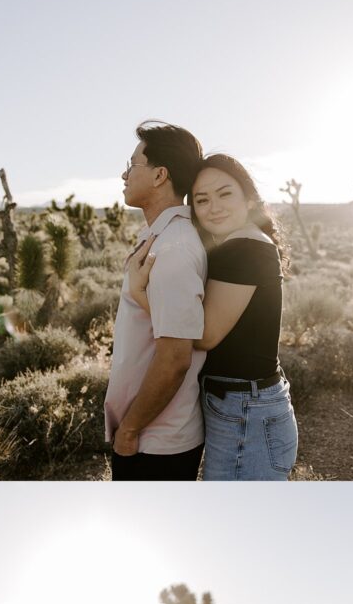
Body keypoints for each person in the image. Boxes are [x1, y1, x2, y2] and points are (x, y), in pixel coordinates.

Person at [127, 154, 298, 480]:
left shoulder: (245, 249)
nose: (214, 207)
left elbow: (204, 335)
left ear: (248, 199)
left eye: (225, 194)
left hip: (246, 411)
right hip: (244, 406)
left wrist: (139, 295)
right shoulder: (239, 244)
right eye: (202, 200)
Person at [104, 121, 207, 482]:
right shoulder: (160, 237)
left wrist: (130, 430)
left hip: (157, 441)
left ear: (160, 174)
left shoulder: (174, 249)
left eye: (132, 165)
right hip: (151, 433)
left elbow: (175, 357)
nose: (124, 174)